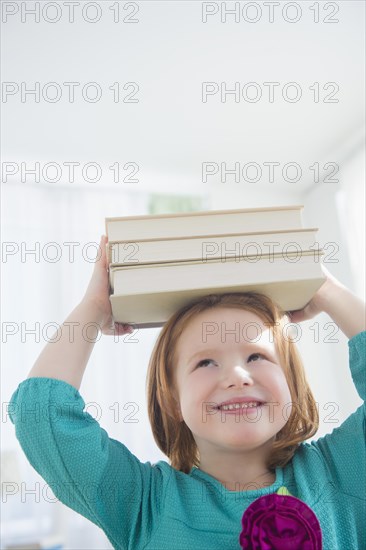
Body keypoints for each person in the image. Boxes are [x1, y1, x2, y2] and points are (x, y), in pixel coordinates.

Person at [9, 235, 366, 550]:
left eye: (256, 355)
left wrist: (327, 292)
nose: (237, 376)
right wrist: (94, 309)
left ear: (291, 382)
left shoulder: (339, 472)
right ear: (172, 401)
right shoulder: (144, 505)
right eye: (206, 362)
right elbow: (42, 416)